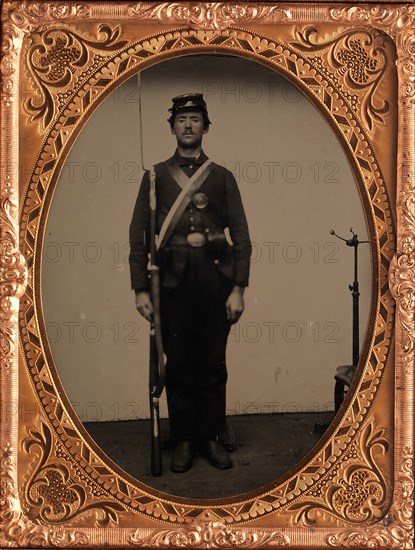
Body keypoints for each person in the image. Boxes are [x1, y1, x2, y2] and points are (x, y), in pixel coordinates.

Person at [129, 93, 252, 472]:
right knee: (179, 364)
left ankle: (211, 437)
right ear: (172, 127)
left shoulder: (222, 177)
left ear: (205, 126)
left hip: (216, 284)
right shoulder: (154, 177)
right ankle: (183, 438)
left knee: (213, 364)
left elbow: (243, 238)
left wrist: (238, 288)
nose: (187, 125)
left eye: (195, 119)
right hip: (171, 286)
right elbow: (138, 238)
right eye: (181, 119)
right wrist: (139, 289)